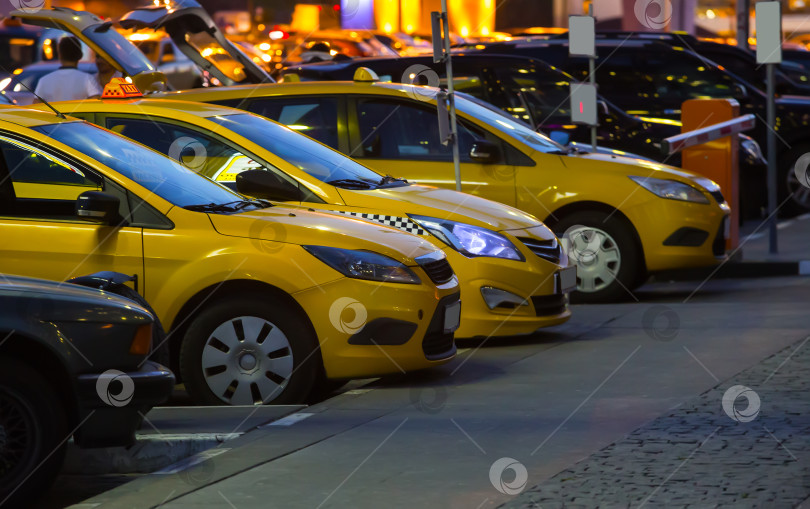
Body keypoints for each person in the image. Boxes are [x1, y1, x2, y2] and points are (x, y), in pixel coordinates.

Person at [34, 37, 102, 102]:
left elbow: (36, 106)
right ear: (80, 55)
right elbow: (96, 101)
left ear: (60, 55)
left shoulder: (44, 80)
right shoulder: (88, 79)